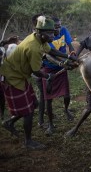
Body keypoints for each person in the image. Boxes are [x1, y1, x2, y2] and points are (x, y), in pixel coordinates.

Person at [0, 16, 77, 149]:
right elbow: (36, 72)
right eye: (50, 33)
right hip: (12, 78)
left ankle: (9, 122)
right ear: (40, 33)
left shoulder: (38, 38)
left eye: (53, 31)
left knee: (34, 103)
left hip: (21, 76)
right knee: (28, 113)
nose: (54, 34)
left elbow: (51, 50)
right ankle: (28, 141)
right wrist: (48, 77)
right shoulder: (34, 48)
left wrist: (69, 56)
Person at [39, 17, 76, 134]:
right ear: (49, 29)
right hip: (49, 69)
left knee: (66, 95)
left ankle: (66, 109)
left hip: (61, 66)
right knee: (48, 99)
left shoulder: (64, 30)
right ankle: (50, 124)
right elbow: (52, 55)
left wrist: (72, 52)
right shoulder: (47, 38)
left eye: (59, 25)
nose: (58, 28)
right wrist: (66, 62)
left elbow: (69, 44)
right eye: (56, 26)